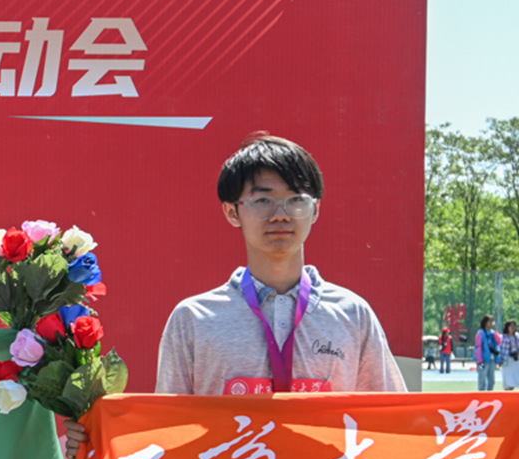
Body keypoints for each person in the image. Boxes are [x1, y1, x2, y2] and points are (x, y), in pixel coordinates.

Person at [155, 135, 404, 396]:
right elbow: (168, 420)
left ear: (315, 209)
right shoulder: (193, 319)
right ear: (232, 212)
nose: (281, 215)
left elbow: (387, 415)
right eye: (263, 201)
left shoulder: (352, 314)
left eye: (296, 200)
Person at [474, 314, 501, 392]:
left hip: (492, 360)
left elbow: (499, 341)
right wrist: (480, 361)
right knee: (482, 381)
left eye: (493, 321)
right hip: (483, 360)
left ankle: (489, 395)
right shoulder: (480, 333)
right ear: (485, 322)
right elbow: (478, 347)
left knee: (492, 381)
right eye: (490, 321)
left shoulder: (493, 333)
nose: (492, 323)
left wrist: (495, 331)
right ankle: (481, 396)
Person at [503, 320, 519, 390]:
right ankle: (507, 394)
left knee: (513, 381)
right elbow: (501, 349)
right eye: (510, 326)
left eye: (514, 326)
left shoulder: (517, 336)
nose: (512, 327)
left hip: (515, 360)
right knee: (507, 381)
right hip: (507, 360)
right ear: (507, 327)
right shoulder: (504, 337)